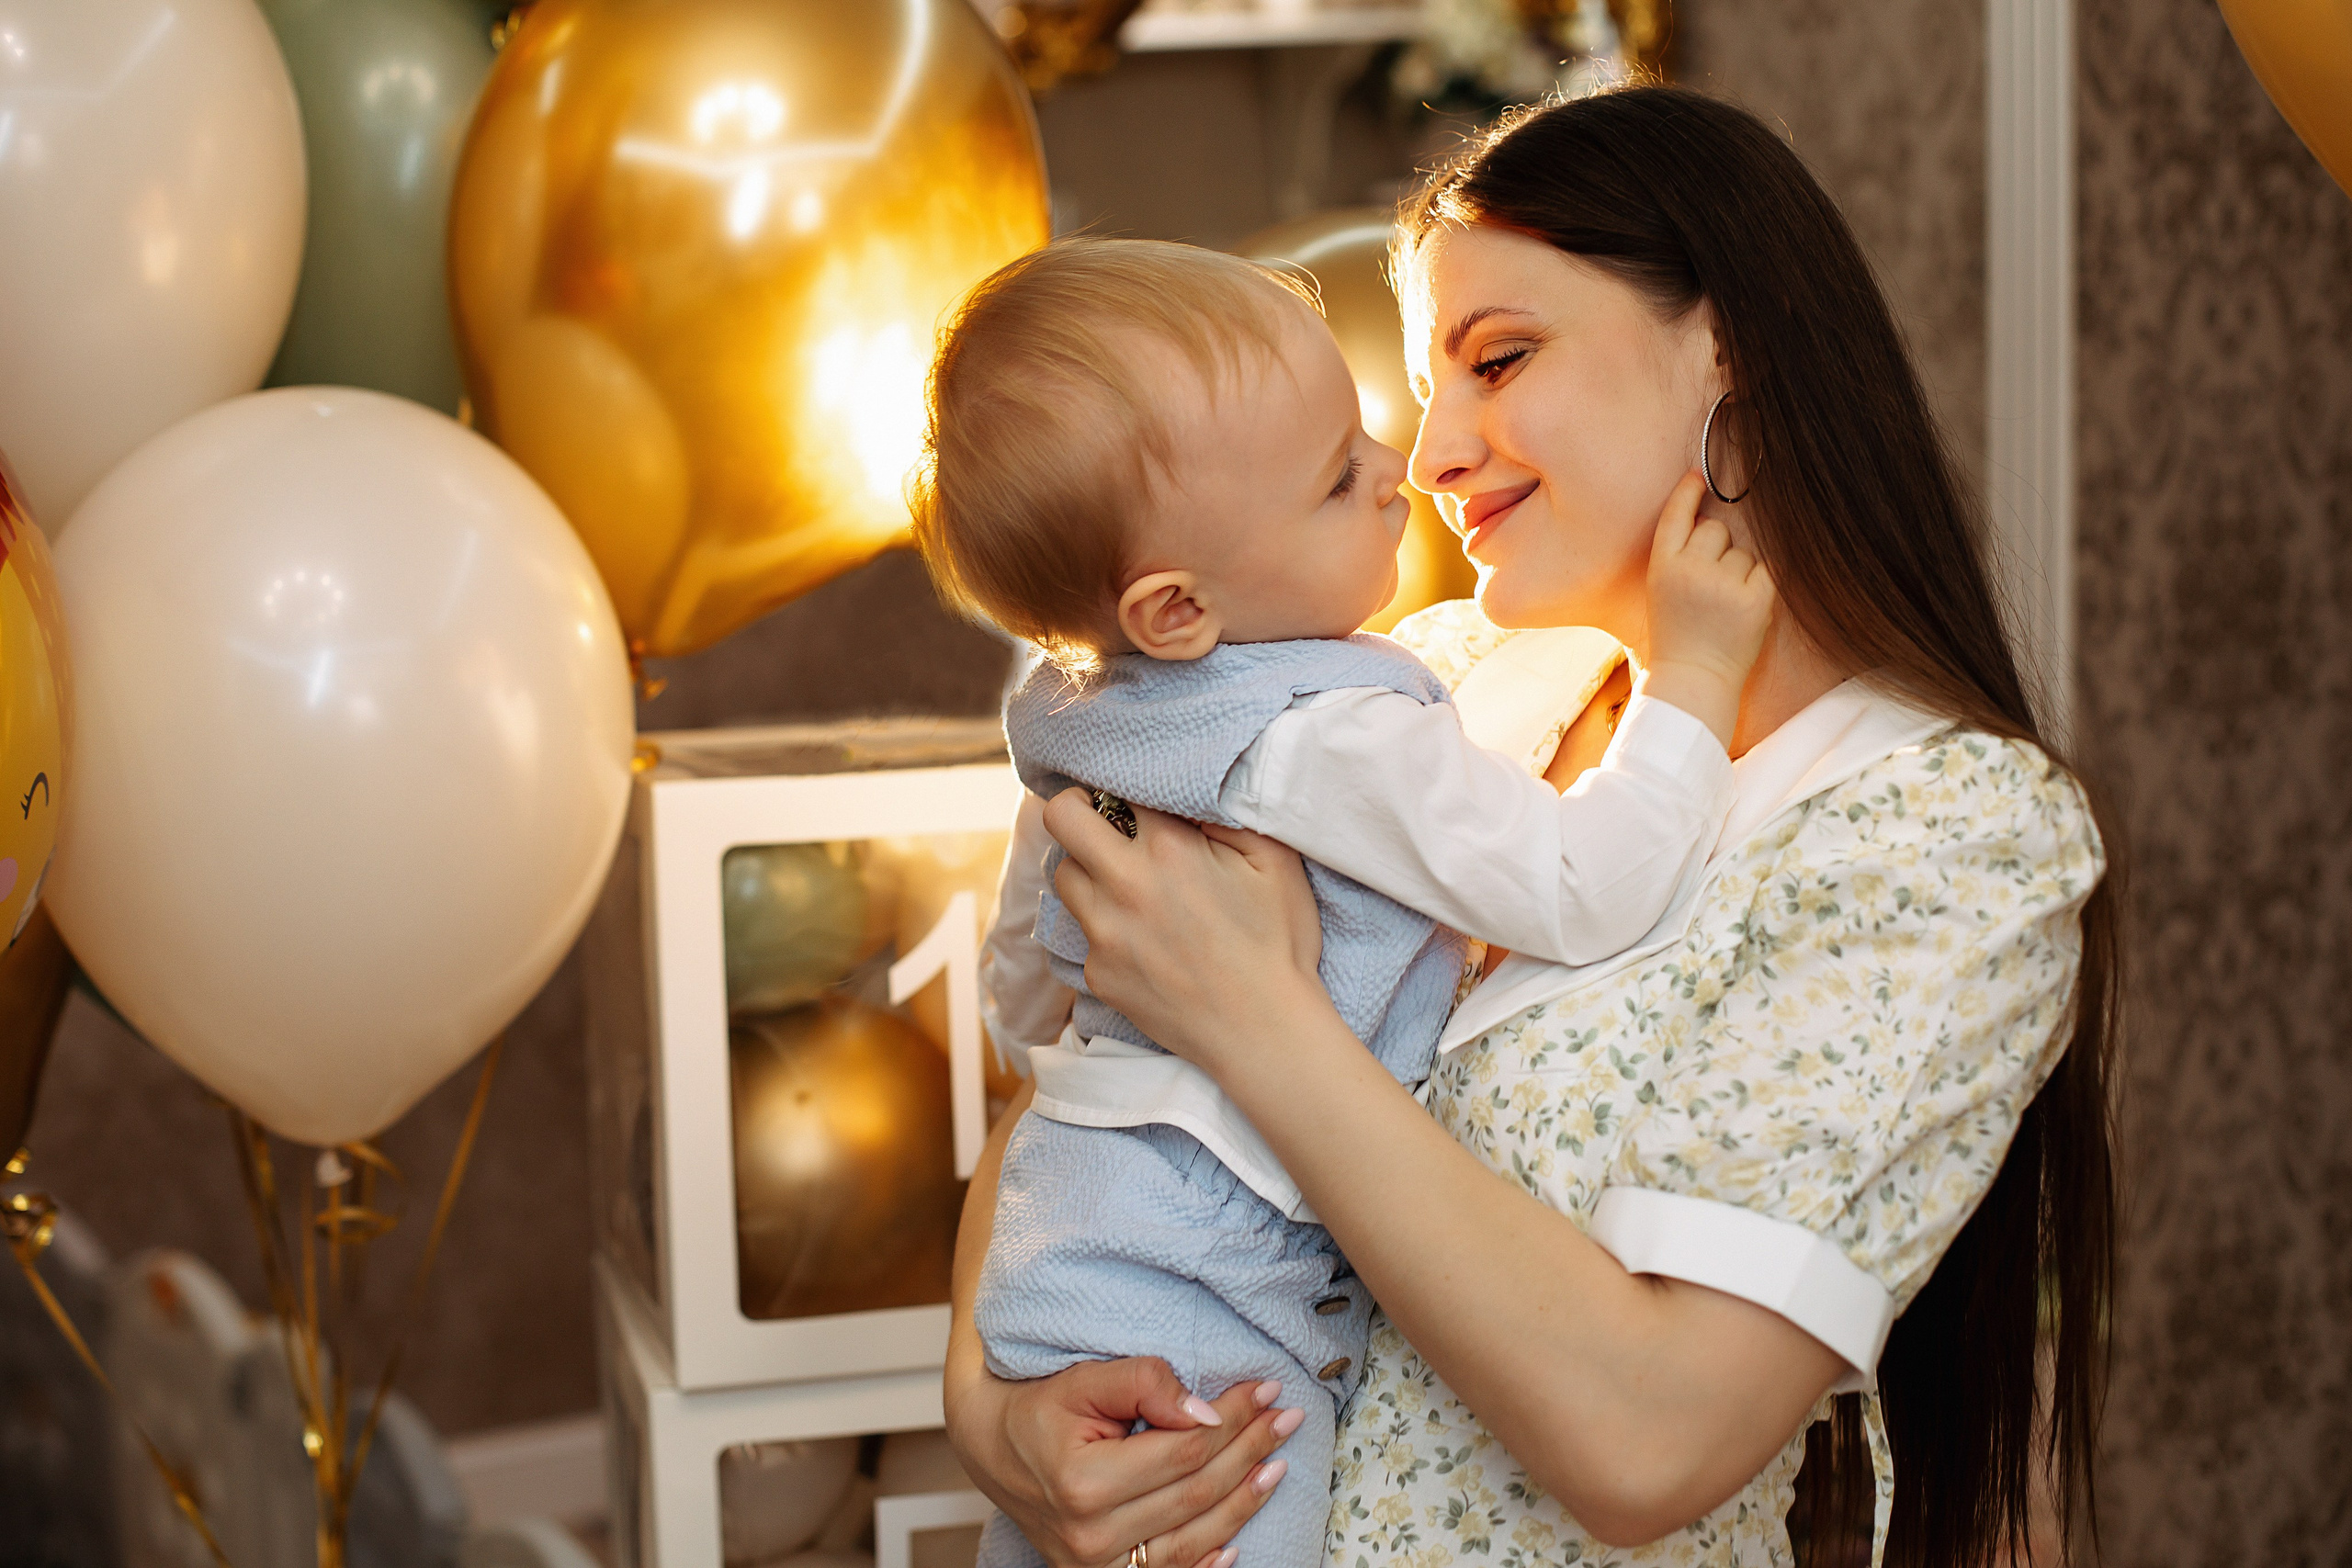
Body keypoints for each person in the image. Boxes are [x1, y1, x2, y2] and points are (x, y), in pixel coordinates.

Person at [942, 85, 2120, 1568]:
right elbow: (1077, 1088)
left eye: (1499, 358)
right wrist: (995, 1421)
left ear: (1727, 340)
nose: (1432, 455)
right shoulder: (1404, 690)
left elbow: (1648, 1443)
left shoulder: (1940, 833)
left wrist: (1260, 1017)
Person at [912, 236, 1776, 1568]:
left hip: (1067, 1257)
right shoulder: (1340, 729)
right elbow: (1581, 882)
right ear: (1179, 605)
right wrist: (1699, 676)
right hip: (1217, 1303)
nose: (1405, 469)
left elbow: (1026, 1002)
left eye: (1494, 361)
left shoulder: (1087, 724)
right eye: (1336, 477)